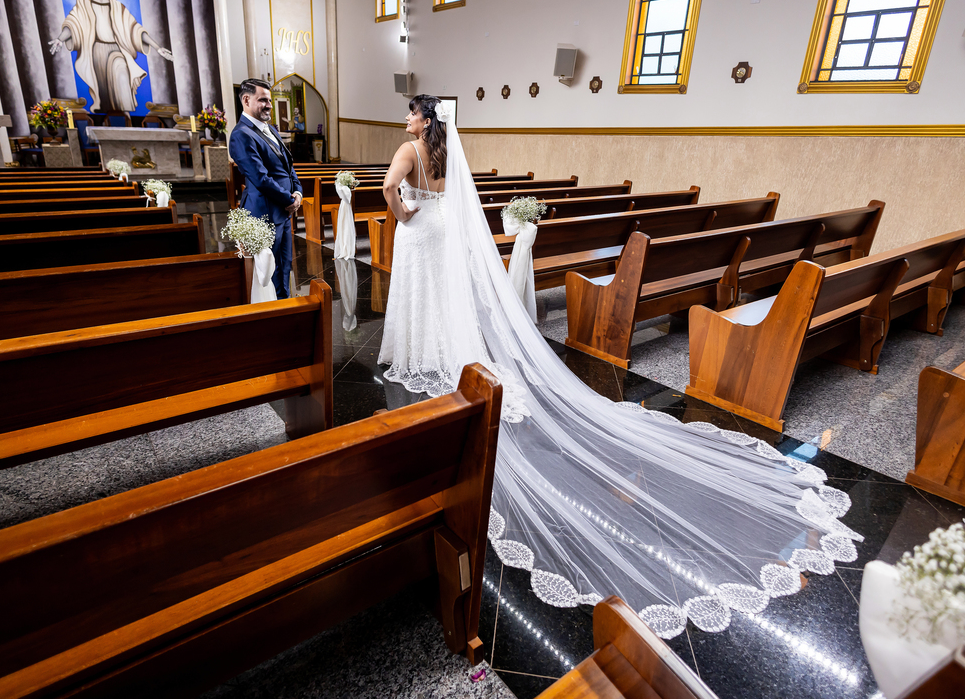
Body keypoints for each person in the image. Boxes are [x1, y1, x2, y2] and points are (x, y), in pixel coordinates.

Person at [377, 95, 863, 640]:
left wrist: (403, 215)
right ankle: (444, 352)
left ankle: (425, 355)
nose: (407, 119)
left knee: (423, 297)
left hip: (423, 233)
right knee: (444, 301)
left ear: (422, 118)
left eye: (411, 112)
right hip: (446, 231)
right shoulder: (445, 150)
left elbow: (391, 191)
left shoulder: (407, 149)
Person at [49, 0, 173, 113]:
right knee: (104, 92)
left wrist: (158, 48)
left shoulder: (116, 6)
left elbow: (135, 30)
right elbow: (72, 25)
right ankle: (111, 120)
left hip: (116, 50)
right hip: (96, 53)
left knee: (121, 73)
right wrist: (60, 39)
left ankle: (126, 117)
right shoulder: (83, 4)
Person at [229, 78, 302, 300]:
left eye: (269, 100)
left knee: (285, 267)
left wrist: (297, 192)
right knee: (269, 271)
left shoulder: (270, 129)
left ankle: (285, 307)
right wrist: (288, 200)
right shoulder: (241, 135)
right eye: (263, 100)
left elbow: (288, 167)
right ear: (246, 99)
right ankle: (271, 313)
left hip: (282, 210)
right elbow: (260, 178)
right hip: (264, 213)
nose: (269, 105)